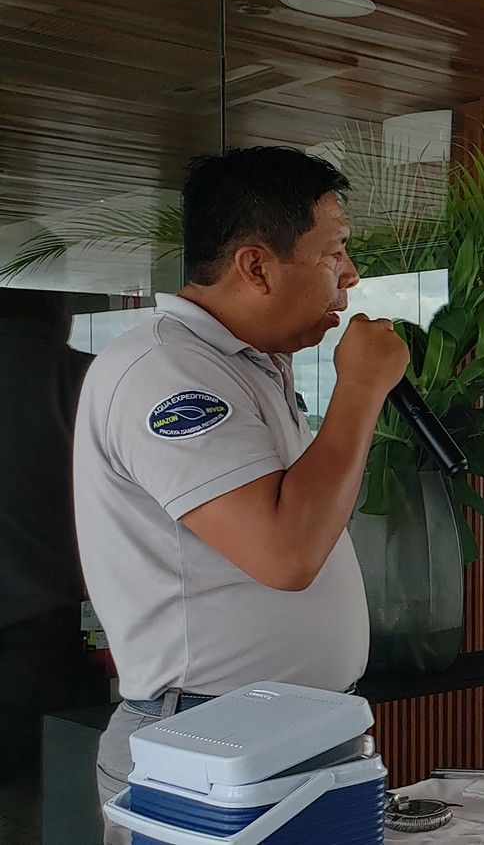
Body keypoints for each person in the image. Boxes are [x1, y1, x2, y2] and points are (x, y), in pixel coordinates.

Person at [73, 147, 407, 840]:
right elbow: (285, 552)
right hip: (206, 742)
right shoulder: (165, 368)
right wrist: (360, 387)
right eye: (333, 252)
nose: (350, 274)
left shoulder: (251, 367)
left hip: (288, 734)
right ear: (255, 265)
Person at [0, 289, 107, 834]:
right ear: (59, 310)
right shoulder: (88, 379)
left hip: (42, 621)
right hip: (51, 628)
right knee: (51, 797)